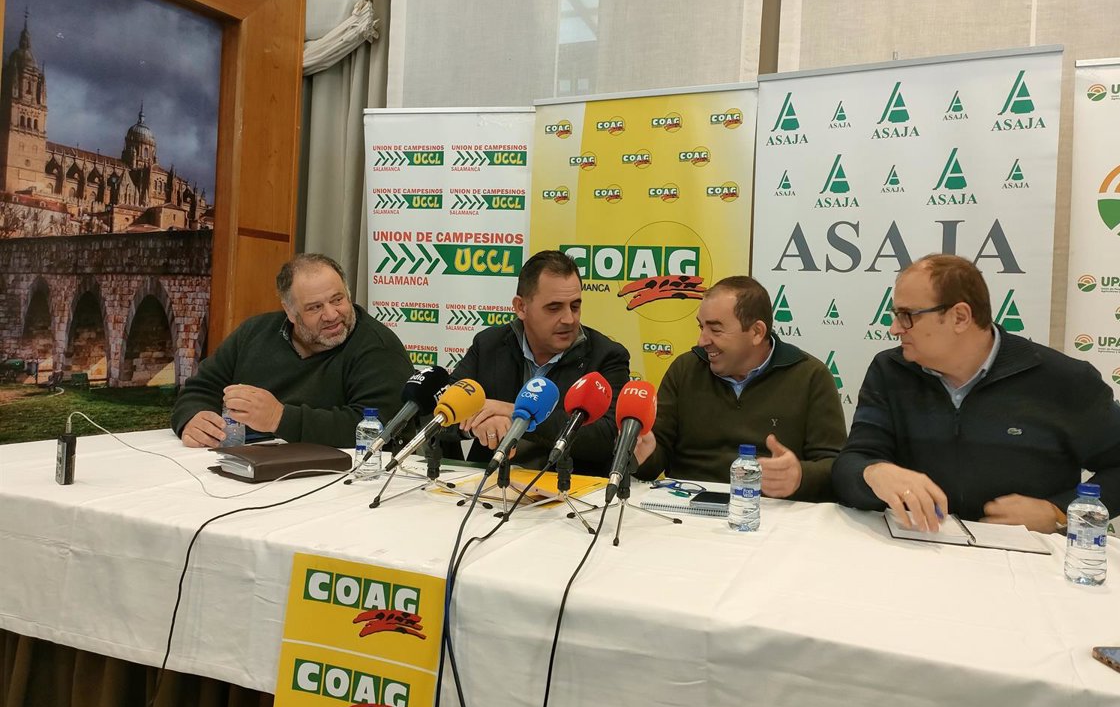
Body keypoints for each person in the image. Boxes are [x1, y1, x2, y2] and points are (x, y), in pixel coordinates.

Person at [832, 254, 1120, 533]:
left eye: (907, 316)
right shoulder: (890, 371)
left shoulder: (1062, 380)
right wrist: (873, 472)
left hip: (1026, 565)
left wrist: (1059, 512)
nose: (895, 329)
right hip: (918, 550)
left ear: (960, 317)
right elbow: (850, 465)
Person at [632, 276, 847, 501]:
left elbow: (835, 468)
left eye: (716, 330)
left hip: (771, 510)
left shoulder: (810, 376)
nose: (701, 341)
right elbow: (654, 459)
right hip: (686, 506)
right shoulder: (685, 369)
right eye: (701, 327)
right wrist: (642, 455)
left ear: (756, 332)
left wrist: (800, 477)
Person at [172, 253, 414, 448]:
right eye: (315, 307)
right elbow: (200, 389)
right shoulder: (254, 332)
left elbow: (379, 429)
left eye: (338, 300)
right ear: (289, 312)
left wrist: (280, 418)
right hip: (242, 464)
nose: (331, 315)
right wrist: (193, 417)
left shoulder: (378, 348)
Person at [444, 249, 630, 474]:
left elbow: (606, 438)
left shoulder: (607, 356)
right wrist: (475, 425)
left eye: (575, 306)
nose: (569, 319)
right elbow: (439, 411)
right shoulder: (489, 345)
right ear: (521, 307)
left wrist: (518, 416)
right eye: (554, 308)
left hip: (566, 488)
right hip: (488, 482)